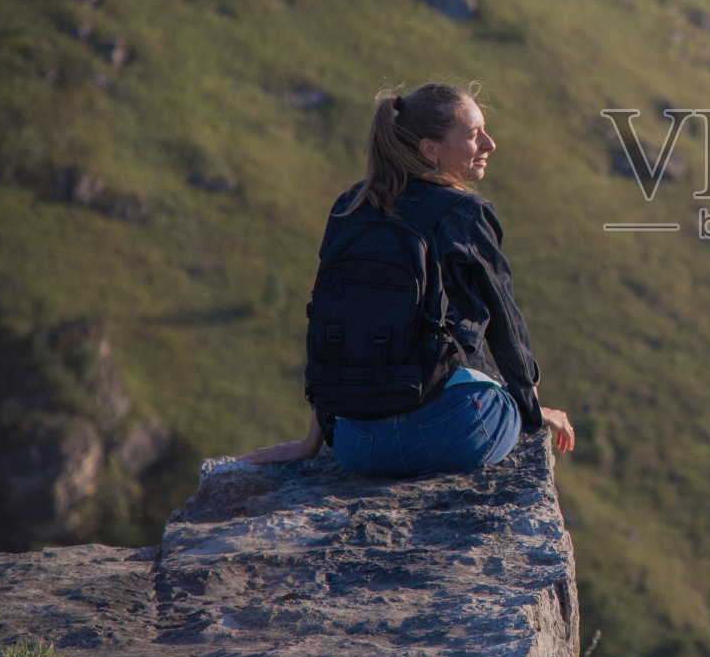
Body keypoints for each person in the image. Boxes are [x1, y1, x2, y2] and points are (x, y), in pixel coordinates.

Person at [242, 82, 574, 472]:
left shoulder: (351, 206)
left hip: (359, 447)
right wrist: (532, 411)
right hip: (453, 434)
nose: (490, 143)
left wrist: (312, 441)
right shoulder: (465, 212)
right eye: (473, 135)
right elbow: (505, 322)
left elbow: (334, 320)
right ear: (429, 149)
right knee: (497, 394)